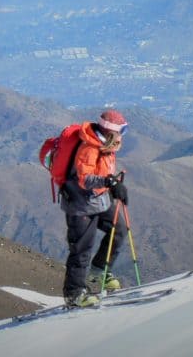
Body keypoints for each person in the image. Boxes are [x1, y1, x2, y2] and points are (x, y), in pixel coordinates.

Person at [59, 109, 130, 308]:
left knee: (119, 230)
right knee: (81, 249)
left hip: (99, 200)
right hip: (80, 205)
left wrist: (113, 185)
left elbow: (104, 173)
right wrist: (109, 182)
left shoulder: (106, 145)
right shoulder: (89, 147)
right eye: (121, 130)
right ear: (112, 131)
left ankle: (98, 271)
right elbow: (85, 178)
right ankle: (74, 295)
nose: (122, 135)